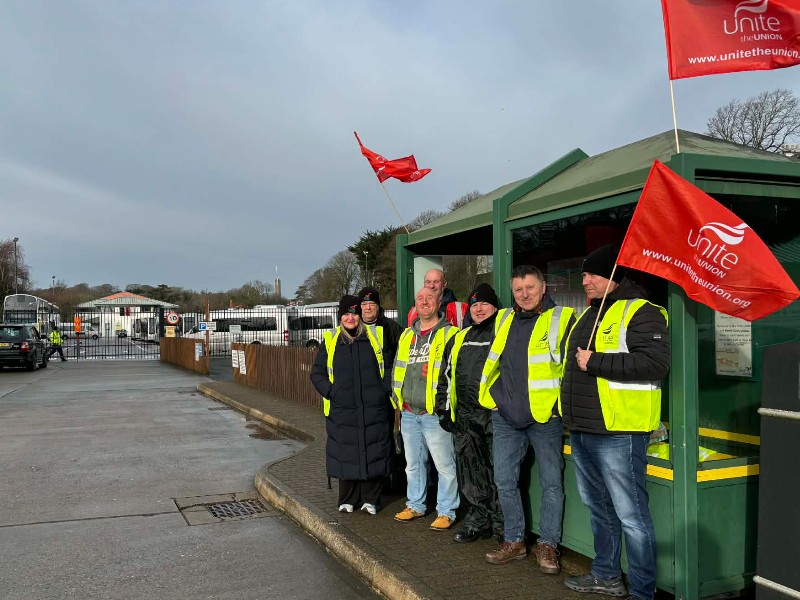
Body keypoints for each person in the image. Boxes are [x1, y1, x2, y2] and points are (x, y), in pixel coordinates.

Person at [561, 244, 670, 600]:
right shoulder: (588, 314)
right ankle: (606, 576)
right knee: (600, 510)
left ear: (613, 275)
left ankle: (642, 592)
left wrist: (595, 363)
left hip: (619, 431)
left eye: (592, 273)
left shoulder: (643, 312)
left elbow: (655, 364)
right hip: (584, 429)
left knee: (632, 517)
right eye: (583, 274)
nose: (585, 280)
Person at [478, 265, 575, 574]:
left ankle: (548, 545)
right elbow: (494, 359)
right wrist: (493, 399)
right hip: (506, 414)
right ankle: (515, 541)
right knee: (504, 480)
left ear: (543, 287)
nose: (525, 294)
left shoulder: (562, 318)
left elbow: (570, 368)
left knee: (551, 483)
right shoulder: (504, 317)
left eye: (530, 287)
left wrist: (559, 408)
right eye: (518, 289)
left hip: (544, 417)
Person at [309, 295, 395, 515]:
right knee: (346, 452)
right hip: (343, 409)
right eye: (346, 314)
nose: (350, 318)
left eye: (354, 313)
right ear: (340, 317)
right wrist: (331, 392)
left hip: (372, 408)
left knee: (373, 450)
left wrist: (383, 393)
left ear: (360, 317)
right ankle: (347, 499)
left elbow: (389, 367)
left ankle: (371, 499)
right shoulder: (330, 341)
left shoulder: (375, 338)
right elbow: (317, 373)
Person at [435, 283, 504, 543]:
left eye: (484, 303)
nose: (479, 308)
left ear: (494, 306)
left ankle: (502, 527)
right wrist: (444, 409)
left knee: (500, 475)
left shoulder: (502, 333)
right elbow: (445, 376)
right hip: (465, 419)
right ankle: (477, 522)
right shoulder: (460, 337)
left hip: (496, 418)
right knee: (471, 474)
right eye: (474, 305)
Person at [393, 287, 460, 530]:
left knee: (444, 465)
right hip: (410, 412)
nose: (424, 302)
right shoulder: (406, 336)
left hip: (434, 413)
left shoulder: (450, 334)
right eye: (420, 298)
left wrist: (445, 406)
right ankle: (416, 505)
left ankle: (447, 511)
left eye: (429, 298)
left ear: (438, 303)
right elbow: (397, 370)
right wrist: (398, 401)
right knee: (413, 464)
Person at [357, 286, 402, 357]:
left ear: (378, 306)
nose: (368, 308)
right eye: (364, 304)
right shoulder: (354, 328)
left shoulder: (392, 327)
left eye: (372, 304)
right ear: (359, 307)